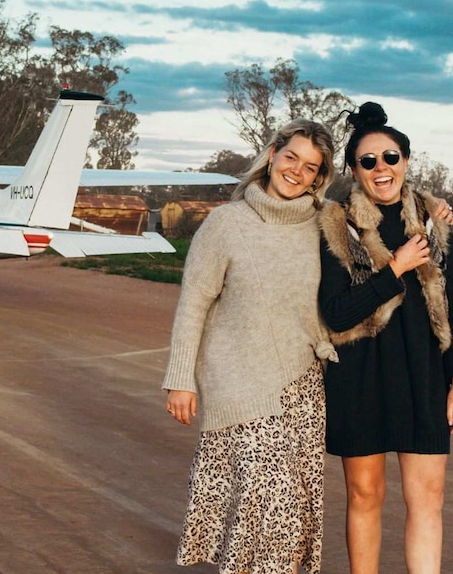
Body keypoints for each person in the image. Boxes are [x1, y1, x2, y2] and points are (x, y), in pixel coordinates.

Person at [162, 118, 340, 574]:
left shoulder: (325, 226)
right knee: (275, 504)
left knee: (282, 512)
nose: (297, 171)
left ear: (319, 177)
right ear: (274, 153)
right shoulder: (226, 223)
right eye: (291, 158)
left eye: (311, 167)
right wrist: (181, 380)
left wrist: (433, 209)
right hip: (238, 381)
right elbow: (194, 303)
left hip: (302, 386)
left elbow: (380, 224)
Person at [317, 102, 453, 574]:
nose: (380, 169)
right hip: (360, 377)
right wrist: (396, 268)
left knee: (428, 498)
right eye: (368, 161)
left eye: (390, 158)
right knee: (366, 496)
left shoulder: (432, 221)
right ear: (352, 168)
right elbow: (337, 313)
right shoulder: (335, 225)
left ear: (406, 161)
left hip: (423, 375)